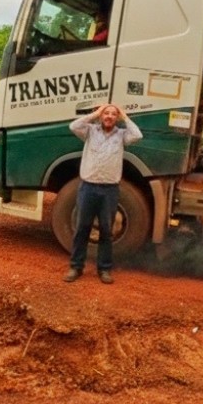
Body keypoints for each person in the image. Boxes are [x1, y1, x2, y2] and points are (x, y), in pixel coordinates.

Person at [64, 103, 143, 284]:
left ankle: (104, 269)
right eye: (106, 113)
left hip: (109, 190)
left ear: (117, 118)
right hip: (88, 188)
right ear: (101, 116)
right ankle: (76, 267)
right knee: (82, 228)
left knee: (107, 231)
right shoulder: (90, 131)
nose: (109, 116)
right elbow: (73, 126)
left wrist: (125, 116)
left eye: (113, 114)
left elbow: (138, 135)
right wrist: (95, 114)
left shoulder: (122, 135)